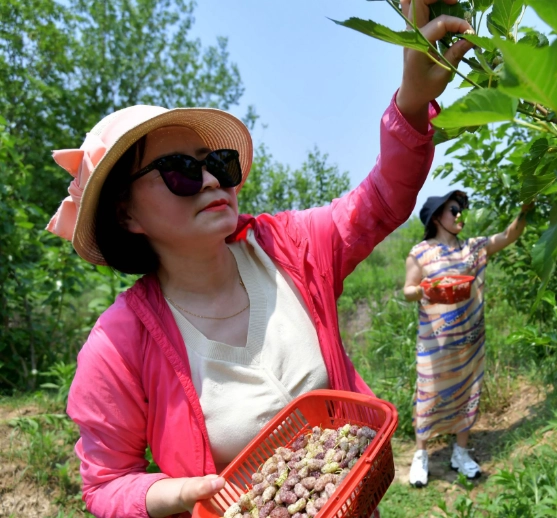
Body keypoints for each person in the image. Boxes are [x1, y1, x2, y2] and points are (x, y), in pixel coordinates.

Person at [47, 2, 474, 517]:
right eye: (179, 170)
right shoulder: (118, 345)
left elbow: (381, 198)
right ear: (127, 215)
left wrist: (410, 104)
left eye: (216, 164)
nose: (209, 180)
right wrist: (173, 494)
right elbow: (105, 482)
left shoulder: (289, 248)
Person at [402, 190, 532, 487]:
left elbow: (510, 235)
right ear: (437, 217)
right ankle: (421, 455)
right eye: (453, 210)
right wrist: (424, 289)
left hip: (469, 340)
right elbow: (408, 290)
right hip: (435, 343)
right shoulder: (420, 252)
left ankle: (460, 452)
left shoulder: (472, 249)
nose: (460, 214)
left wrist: (526, 206)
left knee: (468, 392)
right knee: (428, 393)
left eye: (461, 209)